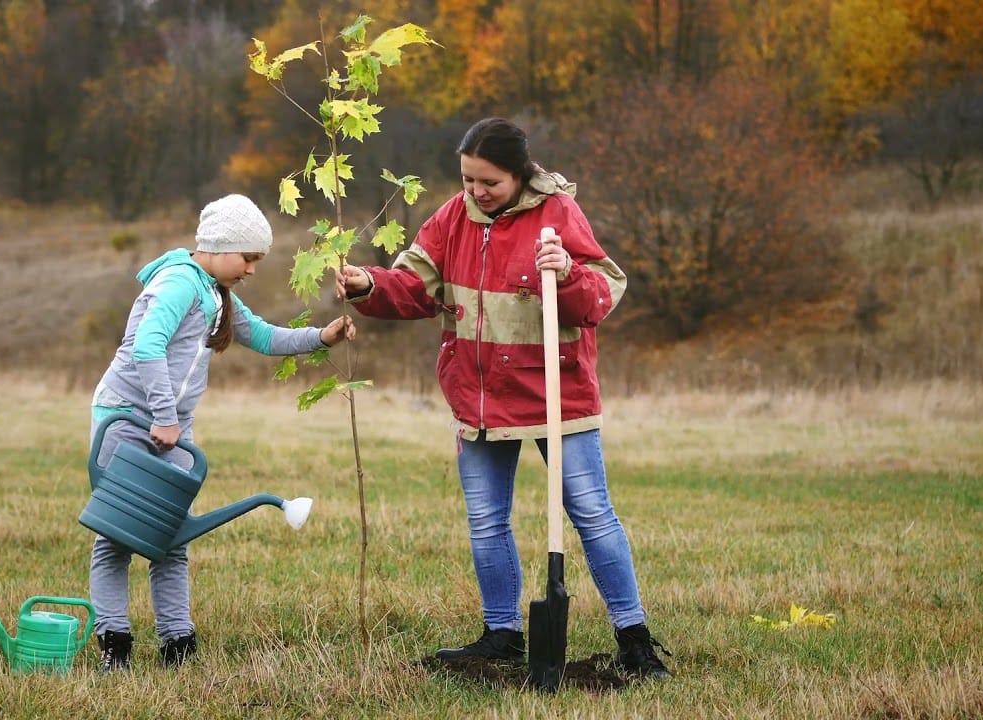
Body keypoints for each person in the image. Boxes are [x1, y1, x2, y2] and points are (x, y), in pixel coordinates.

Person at [335, 118, 671, 680]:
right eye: (467, 179)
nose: (475, 192)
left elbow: (602, 294)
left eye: (488, 182)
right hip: (480, 398)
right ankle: (501, 634)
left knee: (590, 513)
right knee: (486, 520)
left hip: (555, 395)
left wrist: (564, 273)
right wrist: (369, 284)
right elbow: (414, 287)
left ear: (519, 175)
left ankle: (634, 638)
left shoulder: (558, 214)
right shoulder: (451, 218)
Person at [88, 194, 355, 672]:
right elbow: (147, 348)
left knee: (171, 536)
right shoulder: (178, 284)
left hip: (171, 428)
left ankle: (177, 644)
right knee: (117, 536)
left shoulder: (214, 292)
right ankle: (115, 645)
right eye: (248, 257)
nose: (252, 269)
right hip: (127, 420)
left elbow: (265, 336)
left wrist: (321, 337)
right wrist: (165, 417)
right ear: (218, 245)